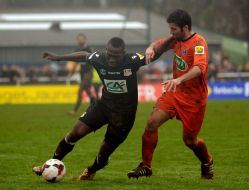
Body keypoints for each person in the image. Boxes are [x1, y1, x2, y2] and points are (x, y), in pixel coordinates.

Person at [32, 37, 153, 180]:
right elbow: (83, 55)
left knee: (104, 154)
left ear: (123, 53)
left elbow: (155, 54)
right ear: (106, 50)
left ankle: (91, 170)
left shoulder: (132, 60)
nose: (112, 59)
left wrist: (168, 41)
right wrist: (59, 58)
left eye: (116, 56)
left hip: (123, 116)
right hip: (103, 106)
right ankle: (50, 164)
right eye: (109, 54)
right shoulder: (99, 58)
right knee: (74, 133)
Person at [127, 9, 213, 179]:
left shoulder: (199, 43)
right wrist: (150, 48)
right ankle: (146, 166)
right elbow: (157, 43)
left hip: (194, 99)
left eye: (173, 29)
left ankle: (207, 162)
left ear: (185, 27)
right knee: (152, 122)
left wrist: (179, 80)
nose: (171, 32)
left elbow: (199, 68)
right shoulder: (175, 39)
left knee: (190, 141)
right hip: (174, 92)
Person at [67, 33, 96, 116]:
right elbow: (76, 63)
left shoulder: (89, 49)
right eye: (79, 39)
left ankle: (74, 111)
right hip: (82, 73)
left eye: (82, 38)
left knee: (80, 90)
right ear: (77, 40)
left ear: (85, 39)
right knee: (88, 91)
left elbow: (94, 60)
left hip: (89, 72)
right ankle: (96, 106)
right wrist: (71, 73)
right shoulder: (77, 50)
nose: (80, 40)